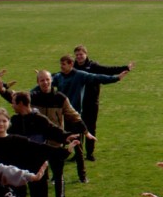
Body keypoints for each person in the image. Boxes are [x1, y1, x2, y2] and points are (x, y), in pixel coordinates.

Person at [52, 54, 129, 183]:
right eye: (60, 65)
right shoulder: (58, 77)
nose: (61, 67)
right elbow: (44, 87)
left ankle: (82, 176)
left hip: (74, 116)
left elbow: (97, 77)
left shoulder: (80, 75)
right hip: (60, 117)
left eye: (63, 64)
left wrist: (116, 78)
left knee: (78, 148)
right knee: (58, 147)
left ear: (71, 64)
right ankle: (56, 176)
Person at [73, 45, 134, 161]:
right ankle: (78, 154)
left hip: (91, 103)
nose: (79, 57)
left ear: (86, 54)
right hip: (76, 103)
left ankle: (90, 153)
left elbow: (107, 70)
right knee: (77, 129)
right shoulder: (73, 67)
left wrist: (125, 68)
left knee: (91, 127)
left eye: (81, 54)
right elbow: (62, 75)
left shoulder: (93, 66)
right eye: (77, 55)